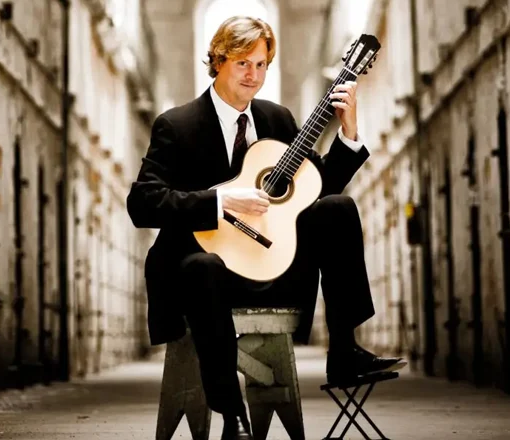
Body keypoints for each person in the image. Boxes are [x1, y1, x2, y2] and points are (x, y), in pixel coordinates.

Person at [127, 16, 405, 440]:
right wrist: (220, 201)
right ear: (218, 61)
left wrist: (347, 133)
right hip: (204, 274)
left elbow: (313, 190)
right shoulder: (176, 125)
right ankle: (231, 413)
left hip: (273, 269)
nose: (252, 75)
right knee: (205, 268)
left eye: (261, 65)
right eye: (243, 64)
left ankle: (344, 351)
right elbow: (142, 203)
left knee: (338, 207)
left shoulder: (277, 119)